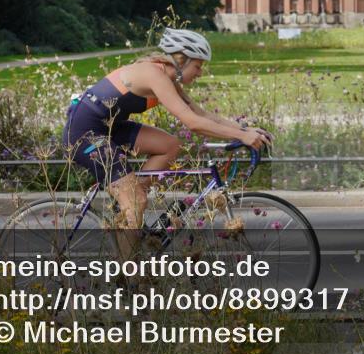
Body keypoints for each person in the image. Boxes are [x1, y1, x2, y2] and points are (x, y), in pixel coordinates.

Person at [62, 28, 273, 236]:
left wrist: (244, 130)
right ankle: (130, 268)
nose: (200, 72)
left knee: (170, 146)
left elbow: (202, 114)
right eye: (198, 66)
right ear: (181, 60)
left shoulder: (167, 77)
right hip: (85, 134)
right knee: (136, 203)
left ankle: (129, 205)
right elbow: (193, 123)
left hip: (109, 128)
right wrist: (242, 137)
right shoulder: (154, 74)